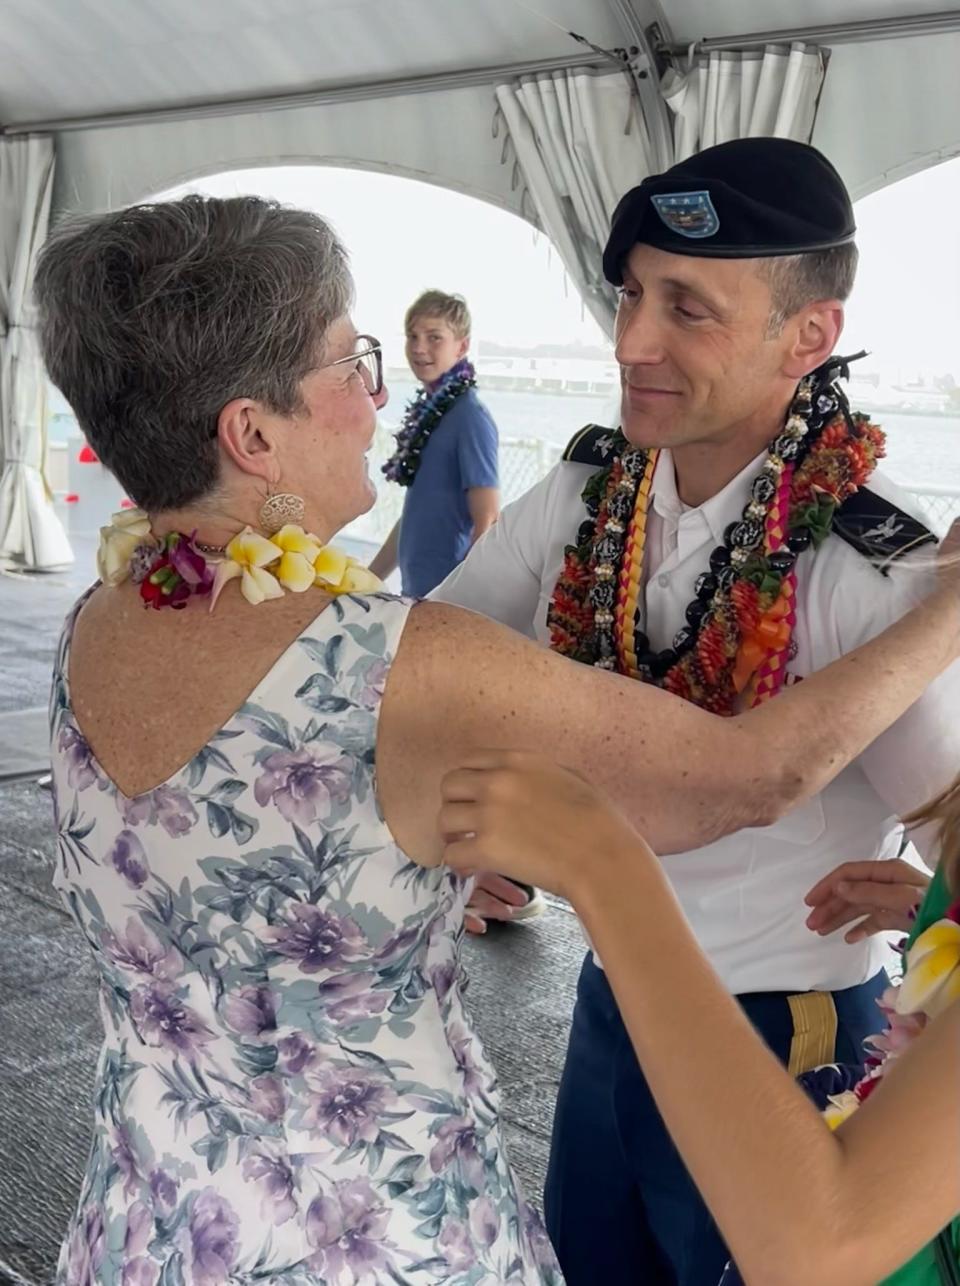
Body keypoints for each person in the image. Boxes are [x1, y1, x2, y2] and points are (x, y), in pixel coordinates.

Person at [37, 193, 959, 1286]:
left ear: (809, 334)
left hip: (157, 1212)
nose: (380, 399)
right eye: (352, 363)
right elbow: (748, 771)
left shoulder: (97, 616)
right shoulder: (529, 548)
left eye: (685, 307)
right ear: (252, 433)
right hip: (375, 1226)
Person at [432, 137, 960, 1284]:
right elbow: (433, 671)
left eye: (688, 307)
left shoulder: (872, 563)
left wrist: (936, 913)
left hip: (783, 1034)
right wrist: (446, 832)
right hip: (612, 997)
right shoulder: (587, 493)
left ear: (808, 336)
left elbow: (957, 822)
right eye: (629, 294)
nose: (631, 341)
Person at [437, 748, 960, 1286]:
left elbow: (822, 1251)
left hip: (778, 1015)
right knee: (591, 1248)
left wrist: (601, 863)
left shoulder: (906, 675)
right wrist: (942, 928)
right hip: (616, 992)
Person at [369, 290, 500, 597]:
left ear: (462, 346)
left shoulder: (469, 415)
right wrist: (370, 579)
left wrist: (464, 593)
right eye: (412, 336)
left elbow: (488, 518)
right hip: (415, 591)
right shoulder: (430, 414)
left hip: (447, 595)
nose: (419, 348)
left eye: (434, 337)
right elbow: (417, 516)